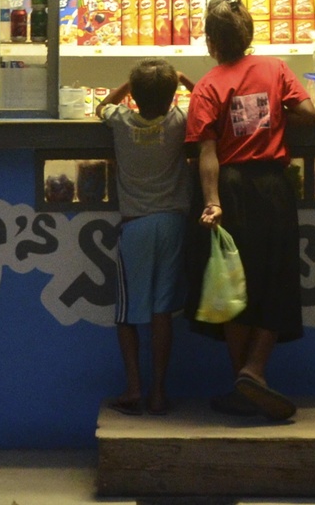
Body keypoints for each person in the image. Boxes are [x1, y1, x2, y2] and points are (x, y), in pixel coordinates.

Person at [183, 0, 314, 422]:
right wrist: (274, 117)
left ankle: (243, 377)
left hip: (232, 191)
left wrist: (212, 202)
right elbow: (308, 113)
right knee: (274, 281)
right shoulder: (275, 68)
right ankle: (254, 371)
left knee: (231, 286)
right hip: (273, 189)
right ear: (249, 33)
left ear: (210, 42)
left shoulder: (206, 86)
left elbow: (207, 153)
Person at [95, 60, 196, 414]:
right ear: (172, 97)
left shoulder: (122, 122)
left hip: (135, 225)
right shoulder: (180, 121)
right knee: (162, 311)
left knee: (126, 313)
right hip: (172, 223)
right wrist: (184, 80)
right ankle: (158, 392)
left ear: (134, 96)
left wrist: (125, 86)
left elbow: (101, 107)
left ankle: (134, 387)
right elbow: (207, 105)